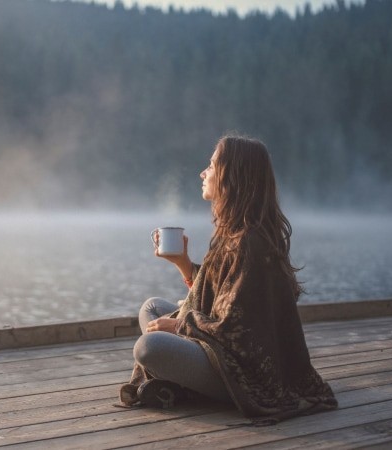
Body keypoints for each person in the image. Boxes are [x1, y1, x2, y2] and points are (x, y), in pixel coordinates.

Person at [118, 134, 338, 425]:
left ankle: (183, 384)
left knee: (149, 348)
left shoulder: (250, 242)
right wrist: (183, 264)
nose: (203, 172)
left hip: (247, 373)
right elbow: (220, 296)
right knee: (152, 308)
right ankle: (177, 380)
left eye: (211, 165)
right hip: (222, 348)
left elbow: (236, 329)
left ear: (232, 176)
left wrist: (180, 325)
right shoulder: (234, 232)